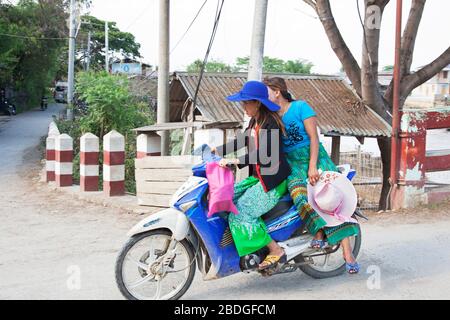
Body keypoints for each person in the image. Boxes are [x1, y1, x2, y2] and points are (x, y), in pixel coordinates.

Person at [264, 77, 360, 274]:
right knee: (300, 196)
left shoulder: (301, 107)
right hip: (292, 165)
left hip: (314, 158)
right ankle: (316, 231)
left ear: (277, 91)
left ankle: (347, 252)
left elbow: (314, 138)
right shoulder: (271, 116)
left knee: (329, 201)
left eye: (266, 91)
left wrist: (313, 166)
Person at [213, 80, 291, 270]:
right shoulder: (255, 121)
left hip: (272, 181)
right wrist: (217, 150)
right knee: (225, 198)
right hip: (258, 178)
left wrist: (236, 161)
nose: (243, 106)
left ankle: (275, 249)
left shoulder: (270, 123)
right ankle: (240, 242)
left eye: (246, 102)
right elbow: (242, 140)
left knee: (241, 213)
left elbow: (265, 154)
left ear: (257, 103)